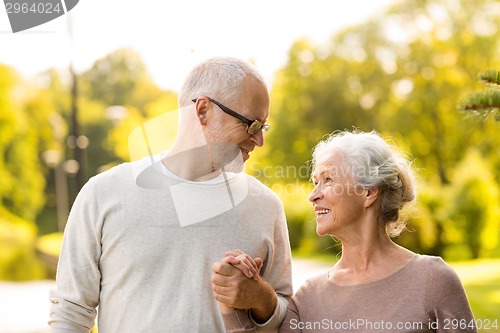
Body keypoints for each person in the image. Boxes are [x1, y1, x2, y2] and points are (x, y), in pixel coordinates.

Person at [49, 57, 293, 332]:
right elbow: (69, 314)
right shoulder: (103, 193)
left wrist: (261, 296)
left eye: (264, 127)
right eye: (252, 125)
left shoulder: (266, 207)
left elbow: (287, 318)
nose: (260, 140)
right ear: (203, 111)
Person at [215, 130, 477, 333]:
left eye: (328, 180)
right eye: (315, 182)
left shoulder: (434, 280)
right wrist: (231, 303)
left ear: (369, 192)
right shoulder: (308, 300)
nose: (313, 196)